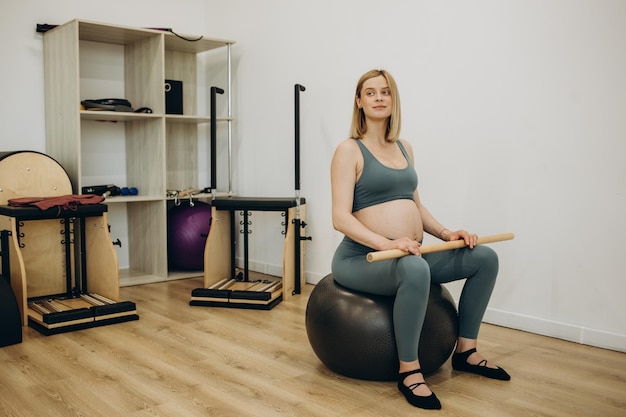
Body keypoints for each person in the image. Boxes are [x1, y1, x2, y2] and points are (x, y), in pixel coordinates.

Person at [330, 69, 510, 410]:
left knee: (484, 258)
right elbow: (340, 218)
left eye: (386, 92)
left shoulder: (404, 147)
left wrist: (446, 233)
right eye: (370, 93)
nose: (379, 97)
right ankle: (409, 371)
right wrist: (387, 244)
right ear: (359, 102)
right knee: (414, 270)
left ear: (394, 100)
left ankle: (466, 351)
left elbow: (414, 204)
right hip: (362, 259)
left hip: (406, 254)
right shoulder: (348, 150)